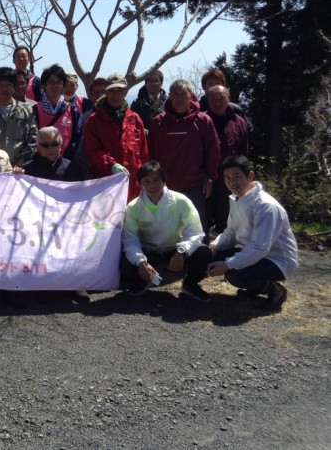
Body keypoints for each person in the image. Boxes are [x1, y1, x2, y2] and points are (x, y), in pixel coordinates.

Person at [208, 155, 299, 311]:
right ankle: (255, 286)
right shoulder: (237, 198)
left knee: (234, 274)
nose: (231, 182)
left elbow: (260, 247)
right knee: (215, 255)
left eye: (236, 176)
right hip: (257, 253)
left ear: (250, 176)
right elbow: (231, 232)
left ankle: (275, 290)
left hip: (278, 260)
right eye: (227, 178)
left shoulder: (266, 206)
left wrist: (228, 264)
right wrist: (213, 247)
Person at [121, 161, 214, 301]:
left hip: (175, 250)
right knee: (124, 261)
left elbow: (195, 231)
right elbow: (130, 238)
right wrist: (141, 262)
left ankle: (190, 284)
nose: (152, 185)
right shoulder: (133, 207)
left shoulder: (181, 200)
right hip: (149, 252)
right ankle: (145, 279)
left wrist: (181, 250)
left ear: (164, 181)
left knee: (204, 252)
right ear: (140, 184)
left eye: (156, 180)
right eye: (146, 181)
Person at [21, 126, 88, 304]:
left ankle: (76, 284)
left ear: (61, 144)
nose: (51, 148)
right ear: (37, 146)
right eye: (45, 144)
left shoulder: (73, 169)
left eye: (55, 144)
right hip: (38, 223)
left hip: (66, 221)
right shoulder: (26, 171)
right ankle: (45, 283)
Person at [149, 79, 220, 234]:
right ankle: (170, 256)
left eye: (183, 94)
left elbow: (213, 151)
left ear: (191, 96)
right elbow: (151, 154)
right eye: (175, 94)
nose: (179, 98)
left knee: (197, 224)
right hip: (167, 185)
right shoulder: (158, 122)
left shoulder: (203, 121)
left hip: (195, 184)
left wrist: (209, 177)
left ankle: (200, 256)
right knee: (168, 226)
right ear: (170, 97)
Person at [83, 73, 149, 201]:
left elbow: (144, 153)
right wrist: (111, 165)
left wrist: (145, 177)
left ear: (125, 92)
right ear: (106, 93)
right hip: (105, 183)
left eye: (119, 91)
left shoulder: (135, 118)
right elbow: (93, 151)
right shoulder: (94, 120)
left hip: (133, 185)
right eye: (111, 91)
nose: (115, 95)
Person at [204, 85, 250, 234]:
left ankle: (223, 253)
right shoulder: (200, 120)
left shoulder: (239, 122)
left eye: (222, 98)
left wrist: (242, 177)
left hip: (229, 180)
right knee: (201, 220)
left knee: (227, 221)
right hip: (204, 180)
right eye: (213, 99)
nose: (217, 102)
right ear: (207, 100)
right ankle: (201, 255)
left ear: (228, 99)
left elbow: (243, 151)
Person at [0, 67, 38, 167]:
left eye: (9, 85)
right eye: (1, 85)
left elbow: (33, 140)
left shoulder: (27, 111)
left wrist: (21, 163)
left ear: (14, 87)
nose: (5, 89)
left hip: (21, 169)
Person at [33, 64, 82, 161]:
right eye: (51, 82)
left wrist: (64, 160)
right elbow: (32, 139)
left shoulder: (73, 111)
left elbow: (77, 139)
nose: (55, 86)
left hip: (65, 165)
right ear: (44, 85)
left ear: (63, 85)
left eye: (59, 82)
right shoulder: (34, 110)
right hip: (41, 164)